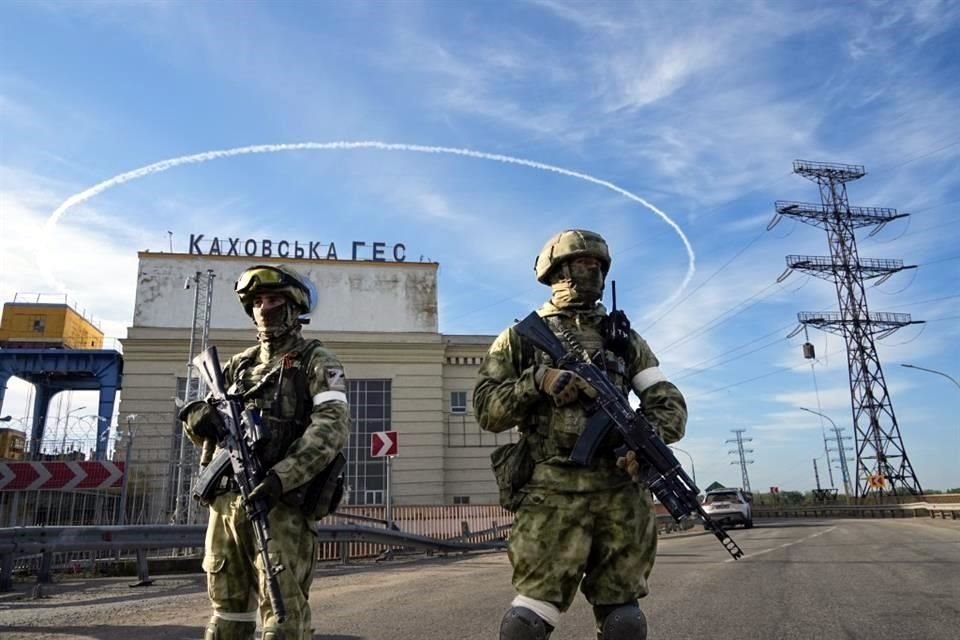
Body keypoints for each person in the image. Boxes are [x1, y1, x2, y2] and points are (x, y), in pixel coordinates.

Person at [474, 230, 687, 640]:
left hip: (620, 492)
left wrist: (647, 439)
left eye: (598, 266)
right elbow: (486, 409)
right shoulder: (520, 338)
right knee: (528, 621)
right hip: (552, 492)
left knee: (624, 620)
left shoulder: (624, 340)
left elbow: (667, 400)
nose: (592, 272)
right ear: (557, 271)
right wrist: (536, 382)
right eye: (582, 263)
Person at [179, 264, 350, 640]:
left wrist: (281, 477)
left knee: (283, 617)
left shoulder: (316, 361)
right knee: (227, 615)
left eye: (272, 299)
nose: (263, 308)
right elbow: (206, 433)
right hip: (227, 504)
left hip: (281, 505)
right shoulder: (238, 366)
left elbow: (331, 428)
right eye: (256, 301)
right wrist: (198, 421)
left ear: (293, 307)